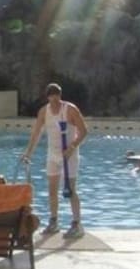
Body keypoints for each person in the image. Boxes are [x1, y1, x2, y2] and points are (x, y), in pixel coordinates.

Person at [21, 83, 89, 238]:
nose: (54, 102)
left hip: (69, 155)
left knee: (71, 189)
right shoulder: (44, 112)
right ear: (48, 97)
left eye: (56, 98)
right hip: (52, 155)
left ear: (60, 96)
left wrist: (72, 147)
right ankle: (54, 221)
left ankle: (77, 224)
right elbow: (36, 133)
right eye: (51, 98)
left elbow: (84, 131)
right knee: (52, 189)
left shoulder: (70, 109)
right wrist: (28, 153)